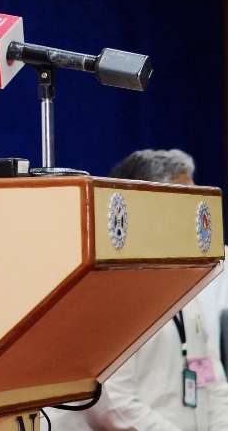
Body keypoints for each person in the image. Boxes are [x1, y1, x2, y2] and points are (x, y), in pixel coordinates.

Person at [48, 149, 228, 431]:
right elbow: (112, 404)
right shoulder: (108, 291)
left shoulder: (185, 282)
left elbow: (213, 383)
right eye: (183, 205)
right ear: (144, 209)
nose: (196, 219)